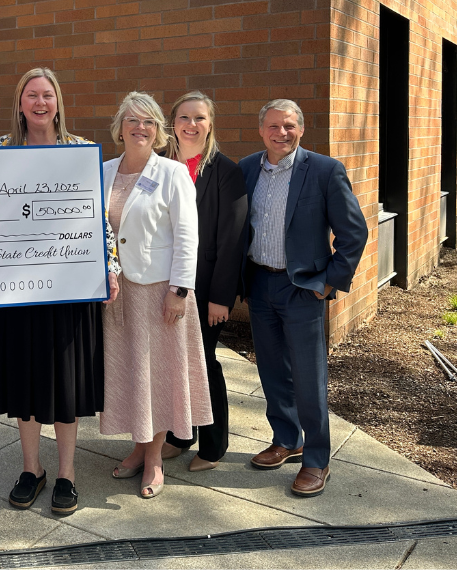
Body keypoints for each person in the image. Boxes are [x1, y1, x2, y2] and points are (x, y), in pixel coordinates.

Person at [0, 68, 122, 516]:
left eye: (48, 95)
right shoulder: (0, 151)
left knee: (65, 385)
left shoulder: (82, 152)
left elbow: (98, 219)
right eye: (32, 95)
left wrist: (110, 268)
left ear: (59, 101)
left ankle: (66, 473)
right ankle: (32, 469)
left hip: (70, 289)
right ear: (20, 102)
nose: (40, 103)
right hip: (18, 291)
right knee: (25, 381)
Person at [240, 99, 367, 497]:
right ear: (261, 130)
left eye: (290, 125)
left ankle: (316, 459)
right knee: (272, 370)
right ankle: (286, 438)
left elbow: (354, 233)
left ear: (302, 128)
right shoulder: (245, 169)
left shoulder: (325, 170)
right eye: (274, 126)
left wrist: (327, 282)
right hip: (260, 283)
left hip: (303, 288)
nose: (282, 133)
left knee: (309, 376)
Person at [100, 92, 210, 499]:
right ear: (120, 127)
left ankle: (155, 458)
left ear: (159, 130)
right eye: (132, 120)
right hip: (116, 292)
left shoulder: (171, 172)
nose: (140, 127)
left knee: (159, 374)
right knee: (129, 371)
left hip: (160, 291)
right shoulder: (104, 170)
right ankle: (137, 445)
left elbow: (187, 236)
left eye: (148, 121)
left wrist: (180, 290)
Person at [161, 91, 249, 472]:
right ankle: (180, 435)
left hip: (205, 288)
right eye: (184, 117)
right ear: (173, 123)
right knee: (172, 363)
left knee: (203, 363)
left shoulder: (226, 171)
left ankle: (213, 446)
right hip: (162, 285)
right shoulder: (160, 164)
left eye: (199, 118)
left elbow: (233, 239)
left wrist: (220, 298)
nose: (191, 125)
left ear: (210, 123)